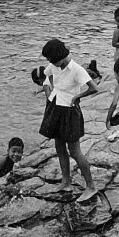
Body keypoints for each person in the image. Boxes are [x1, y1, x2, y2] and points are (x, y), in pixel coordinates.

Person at [39, 38, 99, 203]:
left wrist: (77, 96)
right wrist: (48, 93)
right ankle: (66, 181)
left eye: (53, 60)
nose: (51, 63)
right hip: (55, 106)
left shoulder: (76, 69)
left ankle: (91, 186)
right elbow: (46, 78)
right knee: (59, 146)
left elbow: (94, 88)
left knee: (75, 151)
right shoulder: (53, 65)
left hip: (70, 111)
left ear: (60, 56)